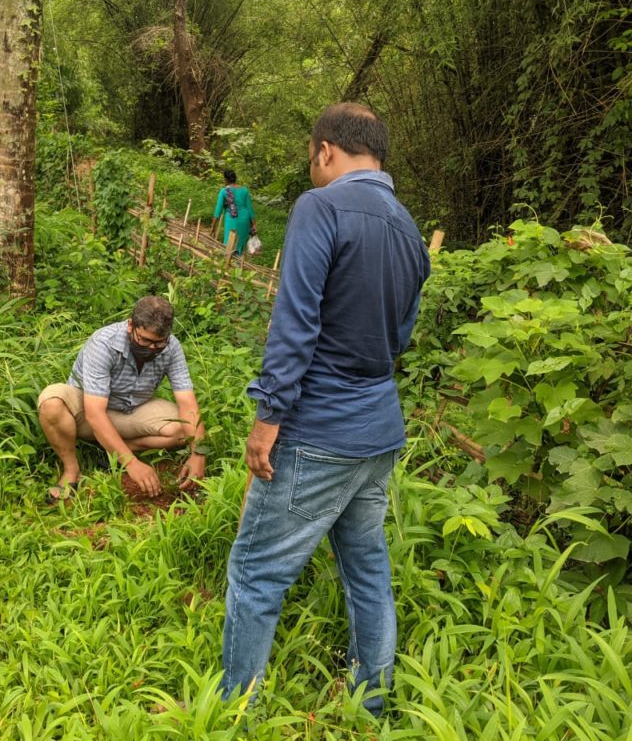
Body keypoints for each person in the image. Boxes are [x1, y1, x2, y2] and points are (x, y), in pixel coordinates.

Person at [221, 103, 431, 716]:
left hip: (318, 431)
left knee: (257, 573)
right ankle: (371, 701)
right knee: (366, 566)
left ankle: (236, 711)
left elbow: (295, 323)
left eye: (311, 155)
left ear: (325, 150)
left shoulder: (322, 207)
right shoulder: (408, 228)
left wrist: (268, 419)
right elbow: (399, 339)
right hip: (380, 431)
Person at [37, 296, 207, 503]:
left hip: (132, 409)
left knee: (183, 429)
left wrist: (198, 454)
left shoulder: (172, 347)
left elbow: (187, 403)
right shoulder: (103, 343)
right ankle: (71, 471)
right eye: (145, 340)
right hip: (88, 410)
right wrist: (132, 463)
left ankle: (111, 451)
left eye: (159, 343)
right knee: (51, 402)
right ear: (130, 326)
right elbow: (95, 413)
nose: (152, 348)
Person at [211, 169, 257, 256]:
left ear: (225, 179)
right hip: (245, 220)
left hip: (232, 220)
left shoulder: (224, 191)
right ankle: (239, 264)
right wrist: (254, 224)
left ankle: (228, 265)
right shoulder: (244, 190)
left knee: (229, 244)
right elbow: (250, 208)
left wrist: (213, 226)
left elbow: (218, 211)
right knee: (240, 245)